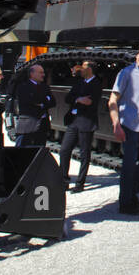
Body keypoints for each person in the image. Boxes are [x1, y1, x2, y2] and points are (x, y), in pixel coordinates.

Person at [109, 46, 139, 215]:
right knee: (129, 165)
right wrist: (116, 124)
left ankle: (132, 192)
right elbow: (113, 100)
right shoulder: (126, 73)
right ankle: (125, 203)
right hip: (128, 124)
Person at [59, 60, 102, 192]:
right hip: (74, 120)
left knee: (84, 153)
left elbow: (90, 102)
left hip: (86, 121)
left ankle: (80, 183)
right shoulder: (79, 83)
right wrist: (79, 99)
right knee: (64, 150)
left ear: (90, 69)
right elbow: (68, 98)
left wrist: (78, 99)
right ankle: (63, 180)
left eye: (83, 66)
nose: (80, 69)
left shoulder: (96, 84)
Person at [13, 63, 55, 149]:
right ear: (32, 74)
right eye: (40, 72)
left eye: (43, 72)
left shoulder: (45, 87)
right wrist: (45, 100)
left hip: (42, 124)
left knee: (39, 149)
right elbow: (30, 101)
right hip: (28, 123)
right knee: (23, 147)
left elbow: (53, 102)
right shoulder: (23, 86)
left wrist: (41, 103)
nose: (43, 75)